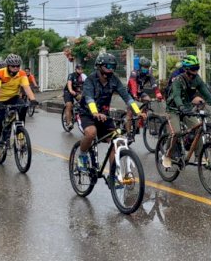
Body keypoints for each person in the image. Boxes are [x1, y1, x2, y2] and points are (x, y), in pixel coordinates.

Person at [77, 53, 142, 186]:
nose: (110, 69)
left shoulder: (114, 80)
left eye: (113, 66)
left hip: (104, 115)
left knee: (117, 141)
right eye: (107, 66)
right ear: (99, 67)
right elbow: (89, 98)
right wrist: (95, 112)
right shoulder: (90, 79)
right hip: (87, 114)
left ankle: (113, 176)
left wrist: (138, 111)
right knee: (91, 133)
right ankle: (82, 155)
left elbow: (127, 97)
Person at [162, 55, 211, 169]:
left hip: (186, 109)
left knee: (198, 128)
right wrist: (181, 107)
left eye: (197, 68)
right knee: (176, 132)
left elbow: (207, 94)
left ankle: (199, 156)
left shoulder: (197, 79)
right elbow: (176, 96)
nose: (195, 73)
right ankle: (168, 155)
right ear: (186, 70)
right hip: (173, 109)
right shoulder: (177, 80)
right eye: (192, 69)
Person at [0, 54, 37, 160]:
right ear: (8, 66)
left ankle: (20, 130)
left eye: (18, 66)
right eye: (13, 66)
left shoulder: (22, 74)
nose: (16, 68)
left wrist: (32, 99)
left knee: (23, 106)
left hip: (13, 97)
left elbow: (26, 87)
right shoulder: (0, 73)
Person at [126, 56, 163, 134]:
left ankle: (141, 120)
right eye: (144, 67)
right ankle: (129, 134)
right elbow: (133, 84)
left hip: (140, 92)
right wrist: (134, 94)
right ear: (140, 66)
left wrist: (158, 94)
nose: (146, 68)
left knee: (148, 99)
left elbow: (154, 85)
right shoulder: (134, 73)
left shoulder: (148, 74)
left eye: (147, 67)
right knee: (130, 113)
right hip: (130, 93)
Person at [63, 64, 85, 128]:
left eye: (81, 69)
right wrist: (70, 90)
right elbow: (69, 83)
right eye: (79, 69)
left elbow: (86, 85)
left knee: (84, 101)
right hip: (68, 92)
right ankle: (68, 122)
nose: (80, 70)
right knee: (69, 105)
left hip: (76, 92)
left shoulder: (83, 76)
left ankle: (79, 114)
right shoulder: (71, 75)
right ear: (76, 69)